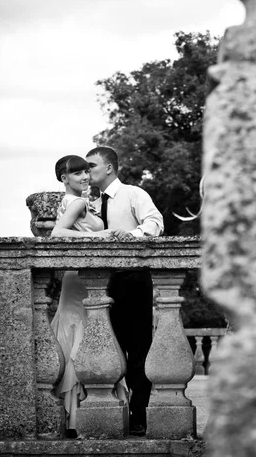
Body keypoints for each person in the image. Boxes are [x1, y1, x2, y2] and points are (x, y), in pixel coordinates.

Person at [86, 146, 164, 436]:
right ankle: (106, 411)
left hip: (133, 279)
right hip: (100, 283)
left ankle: (139, 414)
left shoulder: (134, 194)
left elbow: (156, 224)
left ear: (108, 167)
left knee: (138, 349)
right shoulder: (89, 203)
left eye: (91, 165)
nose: (87, 170)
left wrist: (129, 236)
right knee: (105, 346)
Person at [50, 154, 112, 438]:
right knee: (82, 338)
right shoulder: (75, 202)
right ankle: (80, 417)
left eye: (87, 172)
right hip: (79, 281)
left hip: (76, 278)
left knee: (77, 337)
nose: (86, 178)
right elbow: (57, 233)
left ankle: (73, 417)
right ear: (65, 178)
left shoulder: (71, 201)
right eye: (78, 174)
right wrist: (101, 236)